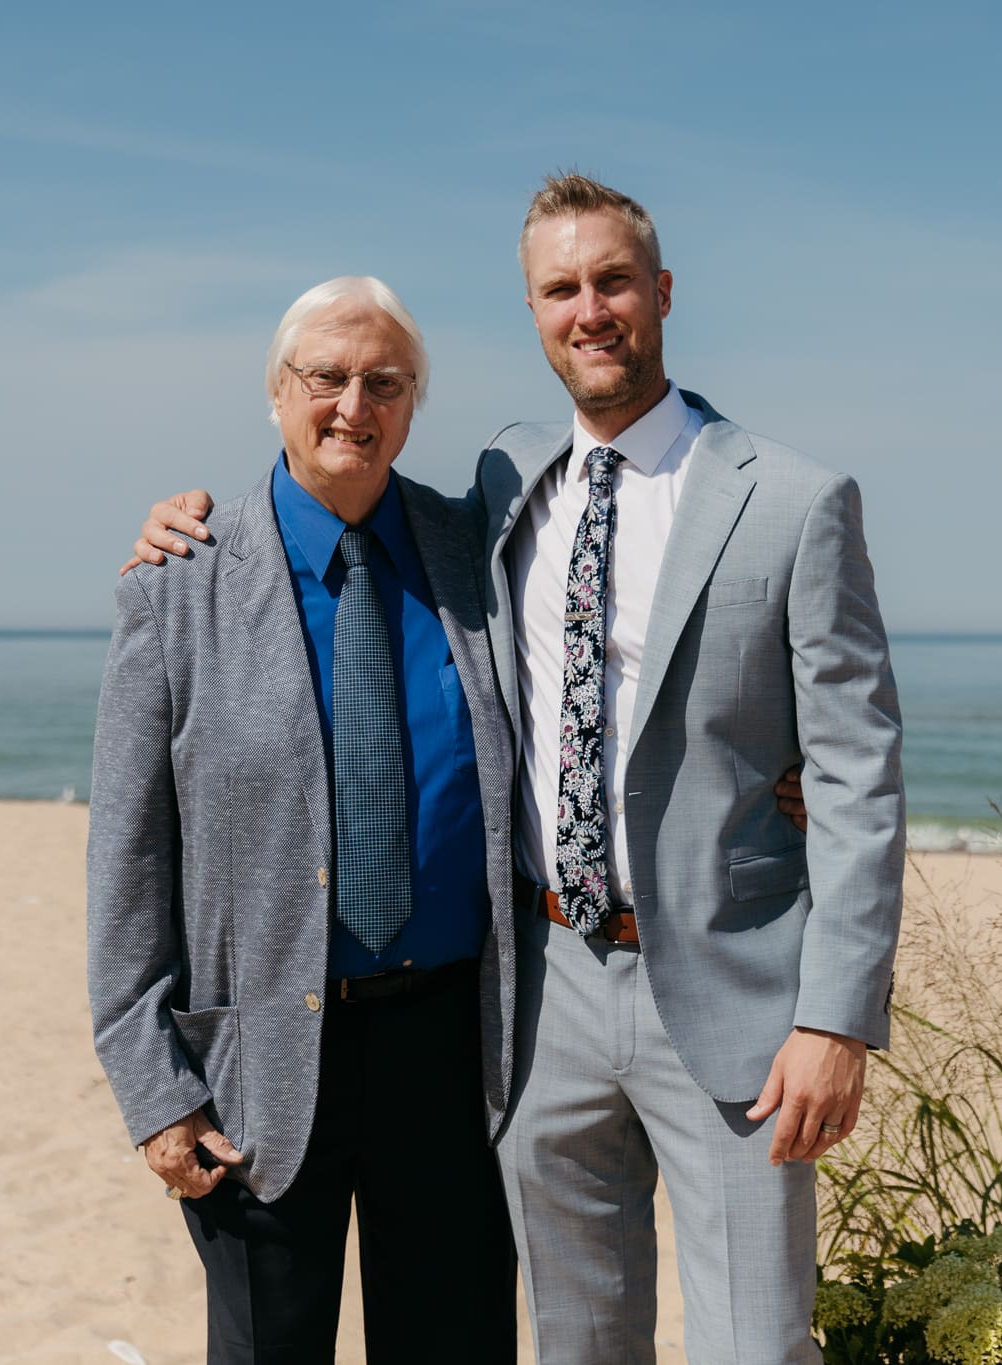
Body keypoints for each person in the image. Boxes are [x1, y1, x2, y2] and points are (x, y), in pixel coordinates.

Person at [131, 174, 904, 1363]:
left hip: (717, 1004)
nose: (587, 310)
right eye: (559, 289)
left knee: (756, 1346)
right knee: (574, 1344)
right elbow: (132, 849)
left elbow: (856, 772)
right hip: (539, 998)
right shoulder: (500, 491)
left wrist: (834, 1014)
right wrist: (190, 522)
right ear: (534, 313)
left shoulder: (786, 502)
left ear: (657, 292)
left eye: (609, 282)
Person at [86, 276, 519, 1364]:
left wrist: (774, 765)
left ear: (413, 403)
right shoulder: (177, 584)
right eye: (325, 379)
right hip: (258, 1057)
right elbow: (127, 862)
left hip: (454, 1053)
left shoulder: (479, 558)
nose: (352, 407)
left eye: (383, 383)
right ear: (276, 393)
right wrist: (153, 1093)